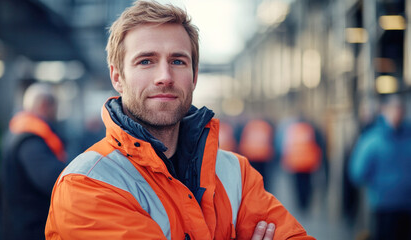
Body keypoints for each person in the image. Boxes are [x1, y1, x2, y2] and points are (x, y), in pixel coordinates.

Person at [45, 1, 314, 239]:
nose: (164, 76)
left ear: (194, 76)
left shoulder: (235, 173)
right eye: (146, 61)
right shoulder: (87, 184)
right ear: (117, 78)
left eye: (178, 61)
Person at [0, 82, 67, 240]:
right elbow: (51, 179)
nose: (57, 112)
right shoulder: (30, 139)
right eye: (55, 106)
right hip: (30, 227)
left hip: (22, 223)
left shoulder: (19, 129)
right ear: (45, 105)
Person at [349, 93, 411, 240]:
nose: (397, 112)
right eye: (394, 108)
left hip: (408, 204)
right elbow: (357, 172)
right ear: (384, 110)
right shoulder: (372, 140)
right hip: (383, 205)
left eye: (400, 108)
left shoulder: (409, 137)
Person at [238, 118, 275, 191]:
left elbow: (243, 140)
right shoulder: (265, 126)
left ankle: (256, 190)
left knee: (253, 177)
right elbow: (271, 141)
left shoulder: (250, 126)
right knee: (263, 177)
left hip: (252, 155)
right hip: (262, 156)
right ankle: (263, 191)